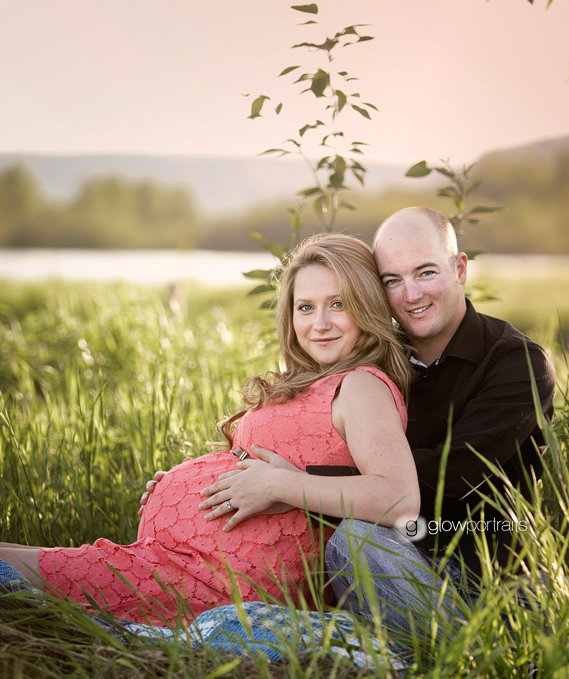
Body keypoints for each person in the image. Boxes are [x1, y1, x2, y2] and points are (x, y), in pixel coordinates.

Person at [0, 234, 419, 627]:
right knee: (22, 559)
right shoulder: (314, 379)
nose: (320, 323)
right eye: (305, 307)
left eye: (338, 304)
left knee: (27, 569)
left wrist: (276, 484)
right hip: (192, 560)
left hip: (229, 578)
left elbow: (399, 499)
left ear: (367, 306)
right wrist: (181, 484)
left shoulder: (361, 385)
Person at [192, 207, 556, 635]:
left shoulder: (517, 363)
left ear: (459, 269)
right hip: (394, 548)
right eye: (391, 280)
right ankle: (391, 641)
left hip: (483, 567)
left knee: (356, 540)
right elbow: (309, 433)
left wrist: (295, 484)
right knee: (350, 540)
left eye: (425, 273)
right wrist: (198, 484)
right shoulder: (376, 356)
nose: (411, 295)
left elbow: (445, 479)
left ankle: (470, 655)